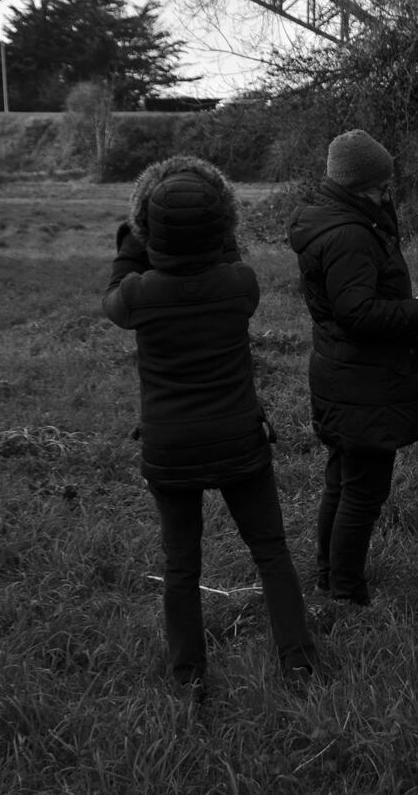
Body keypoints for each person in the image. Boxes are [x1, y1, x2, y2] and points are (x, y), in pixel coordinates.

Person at [103, 155, 318, 687]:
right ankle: (299, 664)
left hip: (170, 447)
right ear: (222, 227)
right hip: (238, 439)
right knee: (270, 551)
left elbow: (118, 287)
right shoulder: (240, 286)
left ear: (150, 230)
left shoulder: (137, 298)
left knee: (181, 566)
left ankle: (189, 678)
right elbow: (226, 253)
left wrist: (134, 238)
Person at [287, 130, 418, 606]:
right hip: (362, 379)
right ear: (358, 186)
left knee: (343, 481)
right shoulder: (350, 236)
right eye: (381, 187)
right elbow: (359, 314)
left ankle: (329, 579)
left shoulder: (345, 223)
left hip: (347, 373)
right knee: (361, 492)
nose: (387, 194)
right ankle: (347, 594)